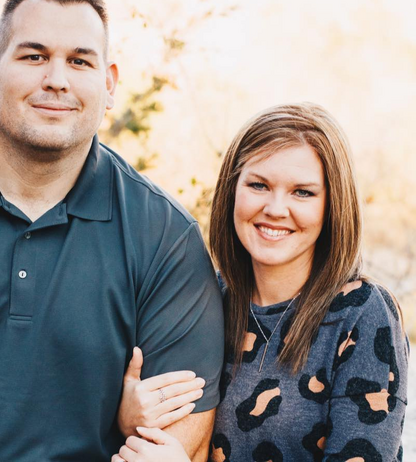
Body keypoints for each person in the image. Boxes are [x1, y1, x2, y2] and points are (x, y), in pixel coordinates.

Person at [0, 0, 224, 461]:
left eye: (80, 61)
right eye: (34, 56)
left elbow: (182, 437)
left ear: (109, 84)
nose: (57, 79)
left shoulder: (164, 236)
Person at [113, 103, 408, 461]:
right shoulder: (203, 299)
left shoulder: (362, 313)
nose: (275, 209)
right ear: (232, 190)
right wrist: (127, 418)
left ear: (332, 205)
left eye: (302, 192)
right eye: (258, 185)